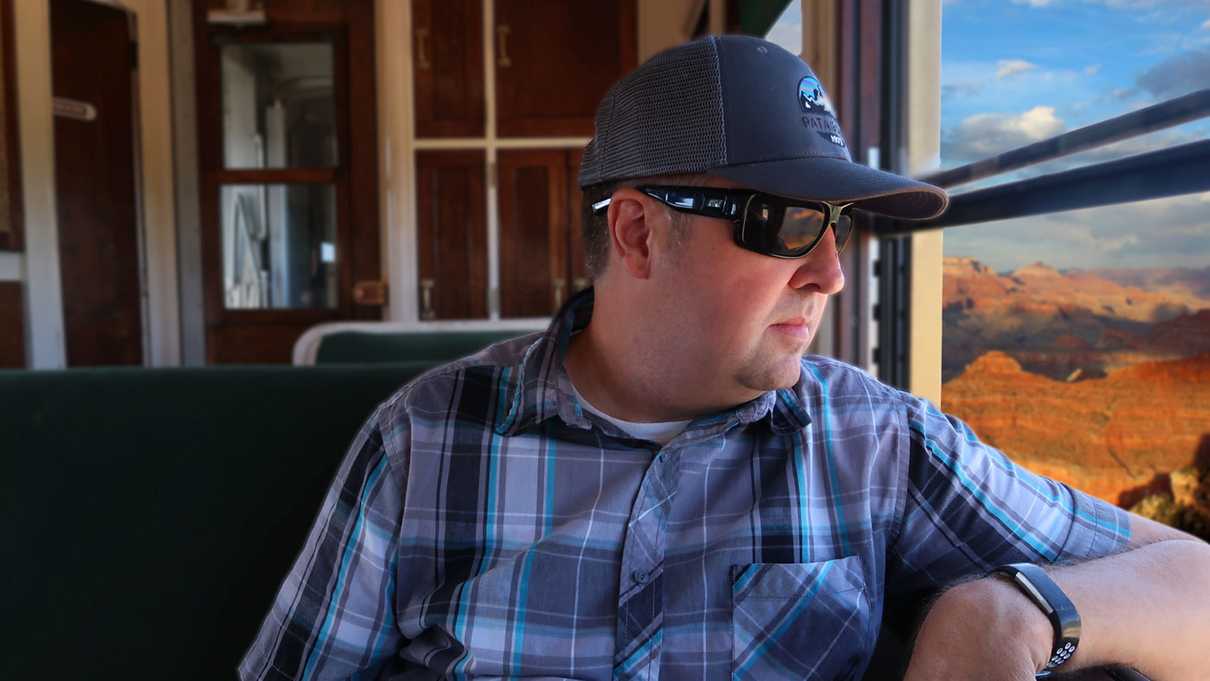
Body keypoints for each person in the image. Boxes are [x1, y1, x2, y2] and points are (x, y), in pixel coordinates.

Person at [239, 35, 1210, 681]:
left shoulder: (876, 442)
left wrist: (1009, 610)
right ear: (637, 234)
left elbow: (1192, 582)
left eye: (837, 226)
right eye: (787, 224)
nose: (829, 272)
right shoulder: (427, 443)